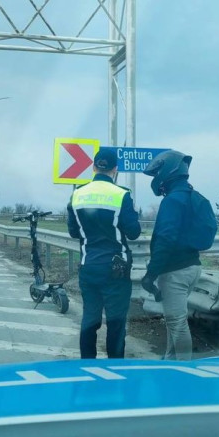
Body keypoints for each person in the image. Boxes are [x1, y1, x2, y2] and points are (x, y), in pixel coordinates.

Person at [67, 148, 141, 358]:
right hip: (115, 269)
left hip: (88, 265)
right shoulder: (122, 195)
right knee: (116, 322)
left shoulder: (77, 194)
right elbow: (134, 233)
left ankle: (87, 365)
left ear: (93, 167)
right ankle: (114, 369)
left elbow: (73, 231)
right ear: (115, 170)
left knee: (90, 318)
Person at [141, 150, 204, 361]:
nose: (156, 177)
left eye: (157, 172)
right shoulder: (194, 197)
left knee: (177, 322)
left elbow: (165, 240)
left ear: (167, 172)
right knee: (173, 319)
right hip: (193, 267)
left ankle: (184, 371)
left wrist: (151, 274)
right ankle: (169, 360)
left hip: (174, 271)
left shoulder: (172, 201)